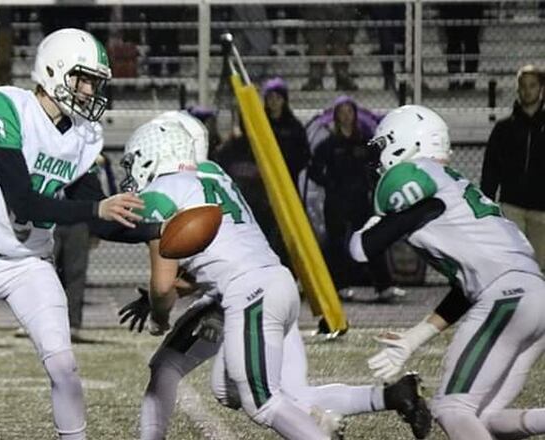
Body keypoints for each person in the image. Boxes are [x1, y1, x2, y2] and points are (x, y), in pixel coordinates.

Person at [0, 28, 162, 440]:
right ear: (55, 71)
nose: (91, 89)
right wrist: (96, 206)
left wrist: (159, 231)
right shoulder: (5, 106)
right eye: (84, 78)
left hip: (32, 263)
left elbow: (99, 220)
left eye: (95, 81)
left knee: (63, 366)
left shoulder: (85, 135)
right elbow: (23, 201)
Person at [118, 118, 431, 440]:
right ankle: (382, 398)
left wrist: (158, 316)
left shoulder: (160, 194)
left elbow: (162, 286)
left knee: (261, 402)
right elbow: (212, 264)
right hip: (271, 285)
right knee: (226, 386)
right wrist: (165, 295)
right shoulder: (214, 175)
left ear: (149, 155)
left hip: (248, 294)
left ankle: (315, 429)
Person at [352, 104, 545, 440]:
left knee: (450, 407)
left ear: (403, 143)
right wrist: (414, 338)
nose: (379, 159)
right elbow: (468, 288)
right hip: (531, 292)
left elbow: (361, 249)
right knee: (484, 418)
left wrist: (372, 225)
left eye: (383, 146)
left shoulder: (412, 174)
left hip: (505, 295)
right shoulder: (451, 185)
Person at [308, 96, 403, 301]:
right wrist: (330, 184)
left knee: (371, 239)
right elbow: (314, 171)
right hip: (336, 201)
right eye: (341, 112)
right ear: (335, 117)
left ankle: (383, 286)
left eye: (349, 111)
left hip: (360, 199)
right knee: (337, 244)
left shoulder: (364, 142)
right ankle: (340, 286)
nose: (346, 116)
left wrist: (371, 183)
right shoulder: (328, 144)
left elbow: (377, 164)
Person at [481, 65, 545, 271]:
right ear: (517, 89)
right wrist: (487, 203)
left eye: (532, 86)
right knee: (512, 267)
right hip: (511, 207)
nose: (527, 91)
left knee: (540, 268)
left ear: (541, 88)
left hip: (542, 210)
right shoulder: (504, 128)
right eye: (523, 86)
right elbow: (491, 169)